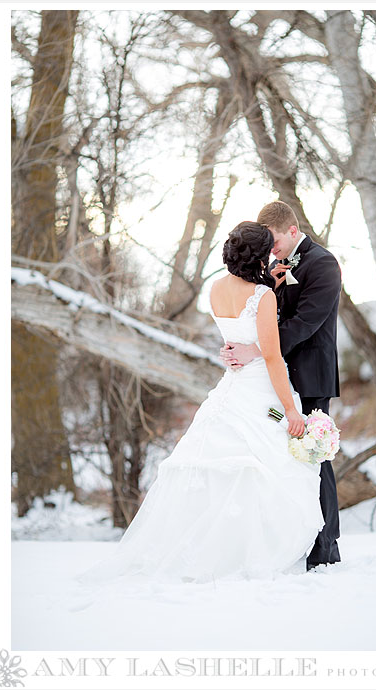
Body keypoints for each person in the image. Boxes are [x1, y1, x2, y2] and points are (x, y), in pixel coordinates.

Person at [81, 222, 324, 583]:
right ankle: (247, 553)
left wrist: (266, 288)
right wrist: (290, 409)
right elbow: (272, 357)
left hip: (232, 384)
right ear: (259, 256)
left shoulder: (215, 290)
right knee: (260, 470)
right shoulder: (263, 296)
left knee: (226, 470)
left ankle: (211, 551)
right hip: (258, 384)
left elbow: (238, 325)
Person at [221, 201, 342, 571]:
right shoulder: (274, 267)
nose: (269, 249)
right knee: (281, 459)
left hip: (308, 376)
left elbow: (305, 323)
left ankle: (325, 548)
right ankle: (291, 542)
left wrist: (255, 351)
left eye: (272, 240)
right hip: (274, 378)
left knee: (313, 458)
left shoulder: (323, 264)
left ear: (291, 230)